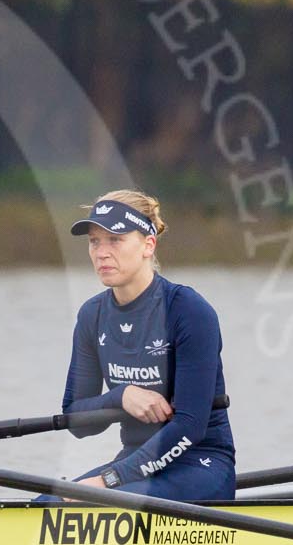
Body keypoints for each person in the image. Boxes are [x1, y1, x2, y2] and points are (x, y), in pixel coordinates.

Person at [61, 190, 235, 500]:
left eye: (115, 239)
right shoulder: (92, 315)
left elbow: (190, 427)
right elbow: (76, 420)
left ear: (148, 244)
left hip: (201, 463)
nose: (101, 252)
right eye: (94, 241)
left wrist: (109, 480)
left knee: (96, 504)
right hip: (135, 461)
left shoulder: (189, 311)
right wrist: (121, 396)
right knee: (45, 502)